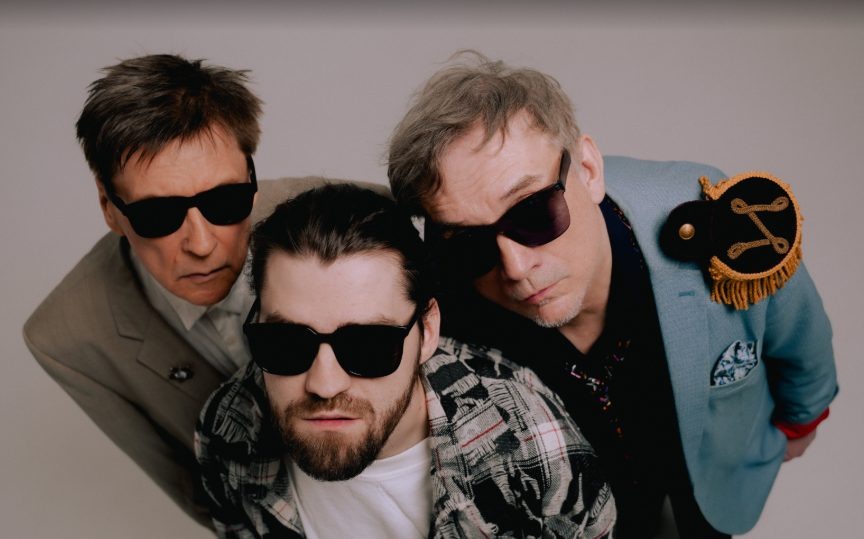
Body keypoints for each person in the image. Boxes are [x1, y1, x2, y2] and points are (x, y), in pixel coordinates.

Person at [386, 51, 837, 537]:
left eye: (533, 212)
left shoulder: (719, 221)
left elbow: (800, 335)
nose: (515, 268)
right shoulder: (445, 301)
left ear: (588, 168)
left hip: (706, 486)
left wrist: (800, 421)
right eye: (469, 243)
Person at [195, 184, 616, 538]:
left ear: (427, 330)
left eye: (368, 347)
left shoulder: (527, 440)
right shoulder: (227, 431)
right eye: (286, 344)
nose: (324, 384)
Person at [23, 53, 283, 527]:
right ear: (108, 206)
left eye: (225, 200)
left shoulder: (354, 207)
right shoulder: (68, 337)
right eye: (158, 215)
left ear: (251, 177)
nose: (201, 244)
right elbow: (208, 501)